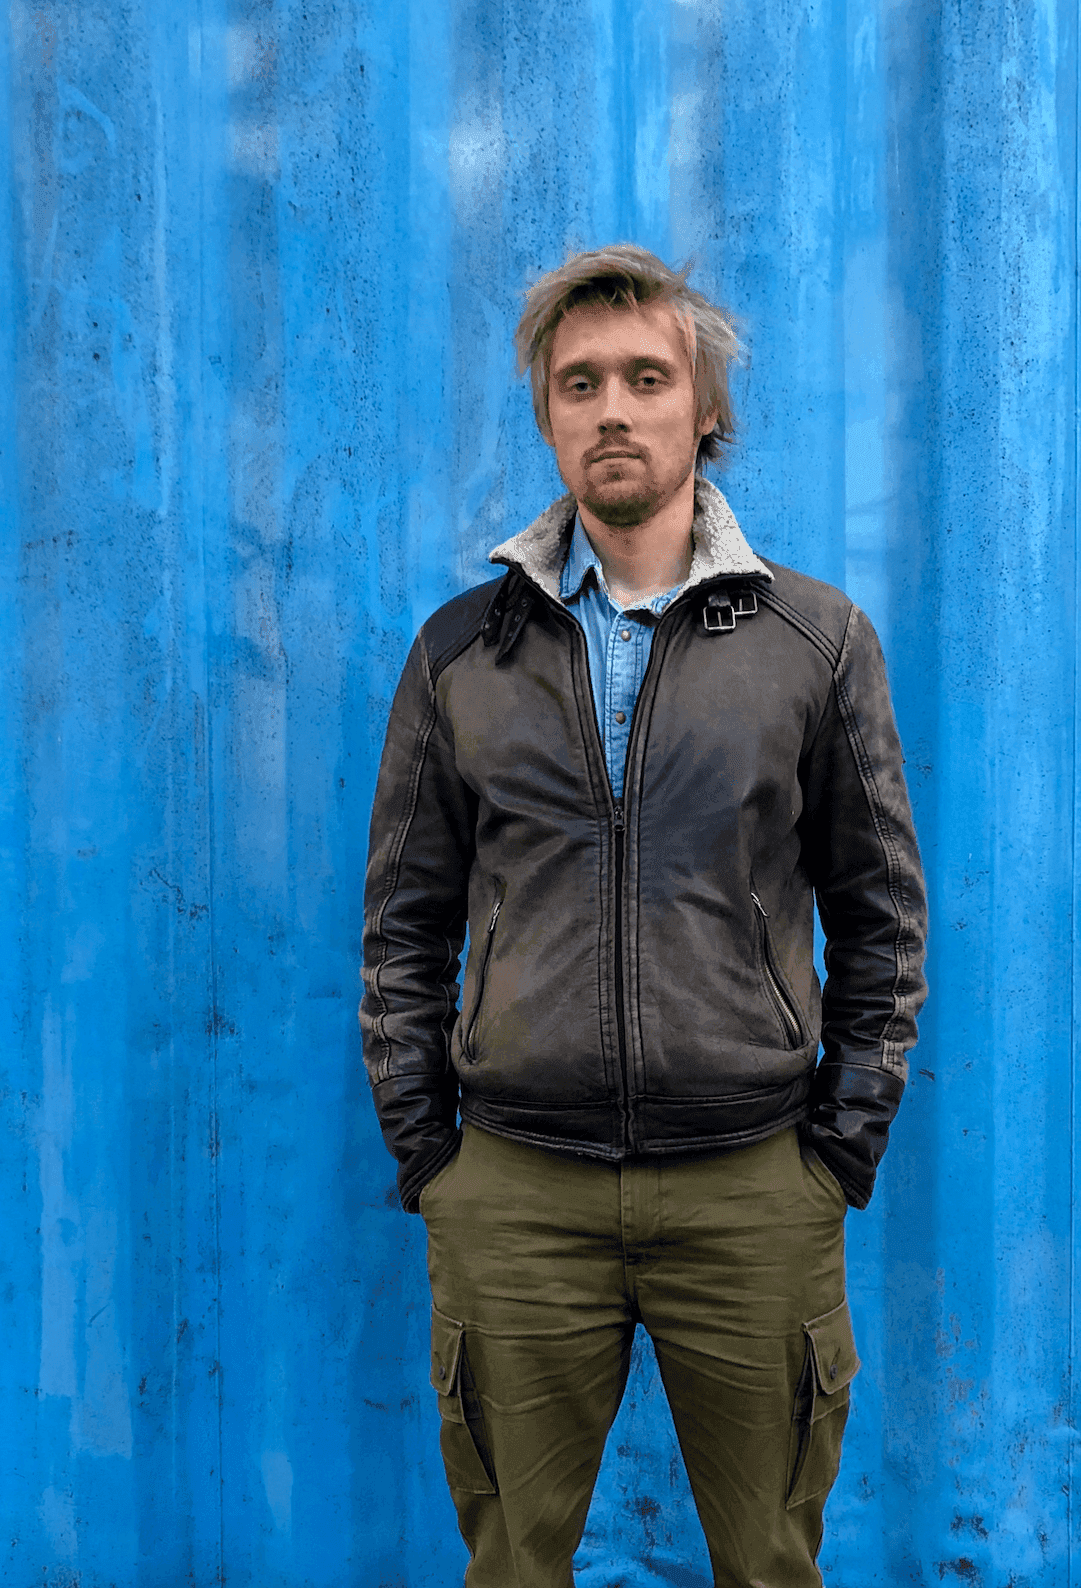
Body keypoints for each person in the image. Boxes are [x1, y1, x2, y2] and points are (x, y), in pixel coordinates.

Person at [358, 244, 928, 1585]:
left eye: (646, 378)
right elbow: (403, 920)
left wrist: (838, 1148)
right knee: (513, 1563)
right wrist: (431, 1153)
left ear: (704, 408)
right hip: (517, 1193)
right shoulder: (461, 652)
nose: (612, 408)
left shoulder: (815, 642)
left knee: (771, 1563)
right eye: (580, 384)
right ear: (548, 416)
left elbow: (882, 915)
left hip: (752, 1187)